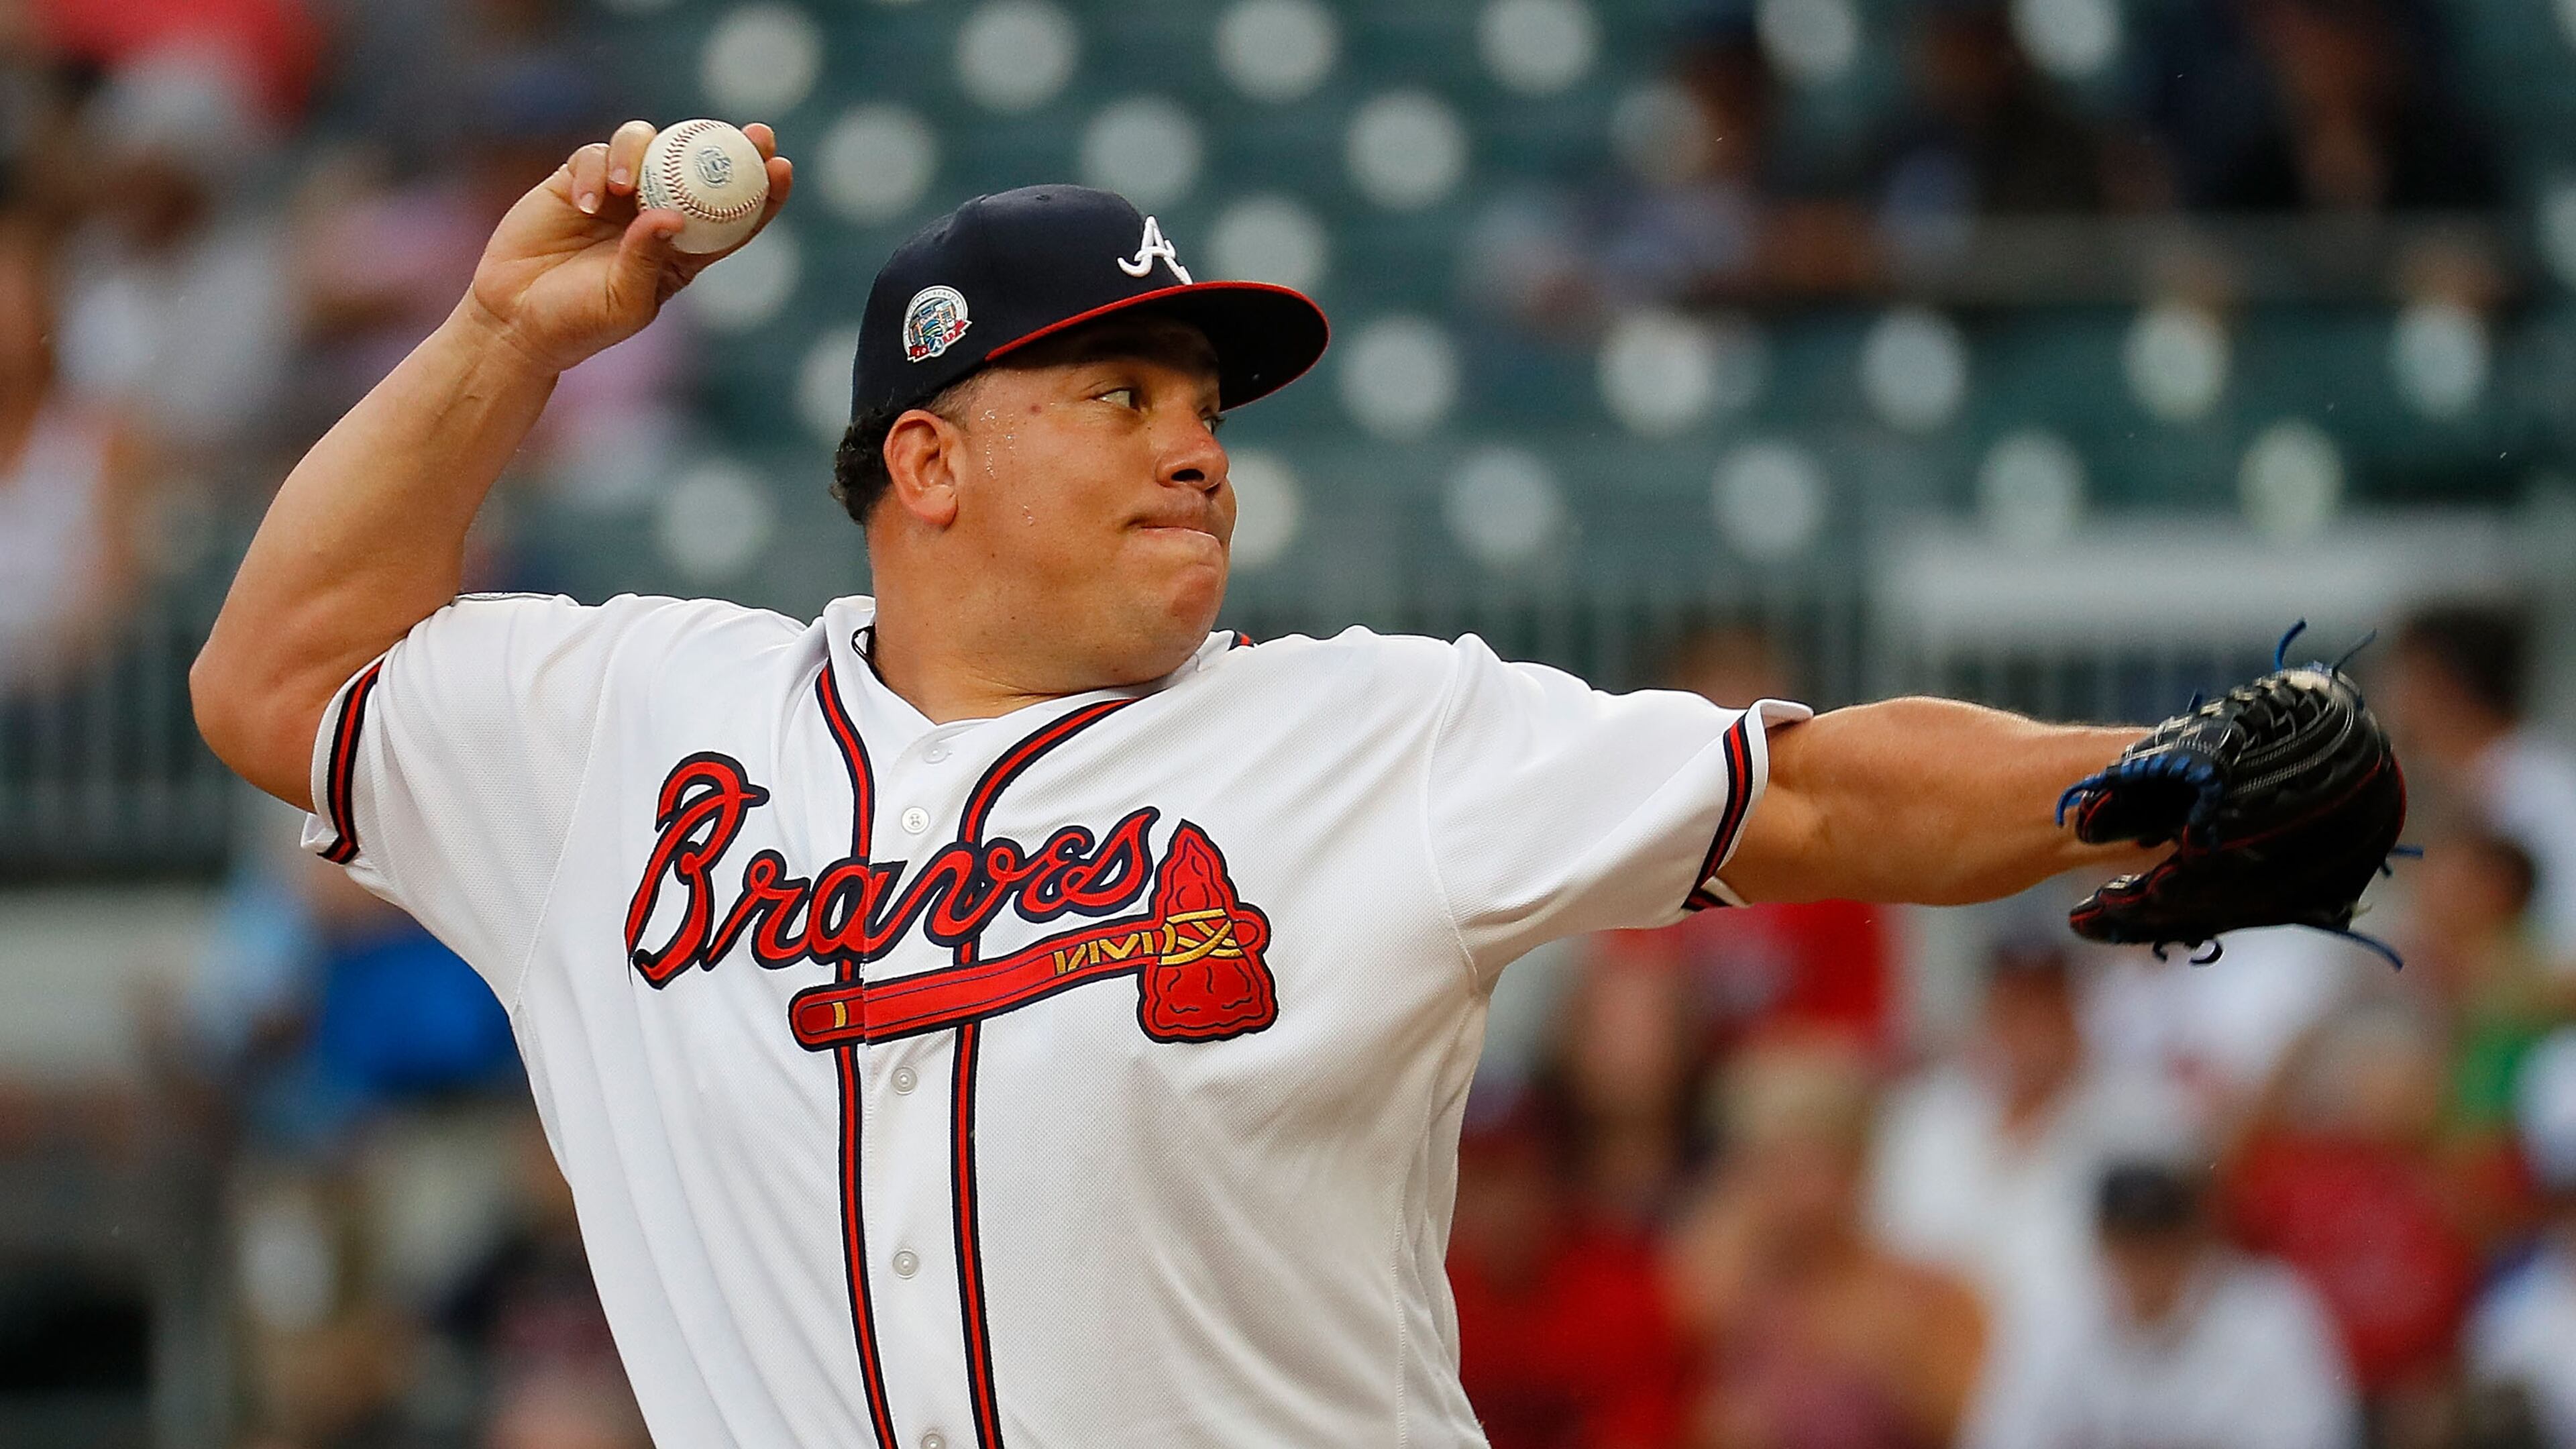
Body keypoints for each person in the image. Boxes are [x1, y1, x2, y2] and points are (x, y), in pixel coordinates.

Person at [190, 118, 2178, 1446]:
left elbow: (1813, 798)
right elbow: (276, 676)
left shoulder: (1367, 733)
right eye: (1118, 396)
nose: (1194, 449)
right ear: (928, 465)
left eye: (1205, 408)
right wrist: (499, 339)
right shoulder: (627, 732)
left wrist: (2156, 780)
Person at [1972, 1161, 2358, 1449]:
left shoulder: (2269, 1313)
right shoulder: (2057, 1308)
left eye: (2157, 1244)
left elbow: (2313, 1438)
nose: (2142, 1263)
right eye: (2126, 1245)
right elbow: (2003, 1436)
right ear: (2102, 1244)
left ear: (2194, 1242)